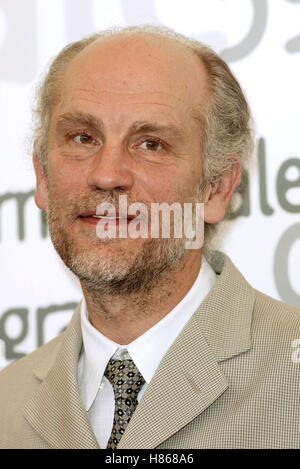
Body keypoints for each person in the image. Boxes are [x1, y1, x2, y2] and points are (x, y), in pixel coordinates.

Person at [0, 25, 299, 450]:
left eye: (151, 144)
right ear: (42, 176)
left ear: (216, 189)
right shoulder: (6, 405)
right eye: (83, 138)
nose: (107, 174)